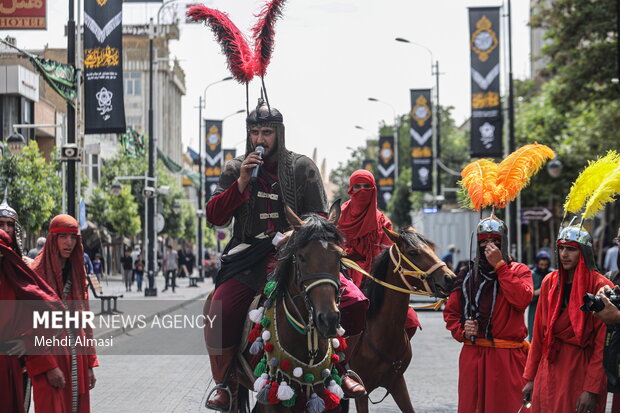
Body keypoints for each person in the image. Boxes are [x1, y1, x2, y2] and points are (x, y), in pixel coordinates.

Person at [204, 99, 367, 410]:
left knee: (354, 300)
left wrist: (296, 233)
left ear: (278, 133)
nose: (260, 139)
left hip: (298, 255)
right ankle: (224, 382)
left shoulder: (302, 167)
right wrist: (240, 184)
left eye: (267, 132)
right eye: (255, 132)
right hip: (249, 259)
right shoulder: (234, 168)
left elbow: (319, 217)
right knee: (220, 308)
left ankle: (344, 369)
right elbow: (215, 217)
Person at [444, 215, 533, 413]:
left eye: (495, 241)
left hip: (507, 358)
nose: (489, 246)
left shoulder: (519, 270)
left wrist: (500, 266)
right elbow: (451, 312)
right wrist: (462, 330)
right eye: (484, 241)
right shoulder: (467, 274)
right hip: (473, 355)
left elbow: (521, 300)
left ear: (505, 243)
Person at [522, 224, 612, 412]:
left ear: (584, 252)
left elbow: (602, 346)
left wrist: (591, 389)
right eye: (561, 248)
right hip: (548, 369)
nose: (564, 254)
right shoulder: (549, 281)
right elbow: (539, 334)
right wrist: (531, 378)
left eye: (571, 249)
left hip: (580, 370)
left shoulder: (602, 286)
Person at [26, 214, 98, 413]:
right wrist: (48, 366)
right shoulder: (36, 273)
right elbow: (29, 327)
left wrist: (90, 363)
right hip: (50, 358)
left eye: (73, 237)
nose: (69, 242)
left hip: (77, 357)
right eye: (63, 237)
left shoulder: (76, 271)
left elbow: (85, 320)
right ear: (53, 239)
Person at [338, 169, 419, 339]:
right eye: (357, 186)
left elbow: (388, 254)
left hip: (374, 276)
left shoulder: (382, 221)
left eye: (367, 186)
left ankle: (395, 359)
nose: (362, 191)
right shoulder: (339, 215)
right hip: (344, 275)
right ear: (350, 190)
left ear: (374, 189)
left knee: (410, 319)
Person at [0, 195, 61, 413]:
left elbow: (48, 311)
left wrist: (29, 342)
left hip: (15, 361)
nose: (5, 229)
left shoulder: (27, 267)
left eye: (10, 224)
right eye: (1, 224)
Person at [528, 251, 553, 341]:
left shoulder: (552, 274)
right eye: (541, 264)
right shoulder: (532, 274)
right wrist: (537, 292)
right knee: (534, 334)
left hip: (550, 309)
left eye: (545, 265)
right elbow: (527, 295)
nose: (543, 267)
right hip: (535, 309)